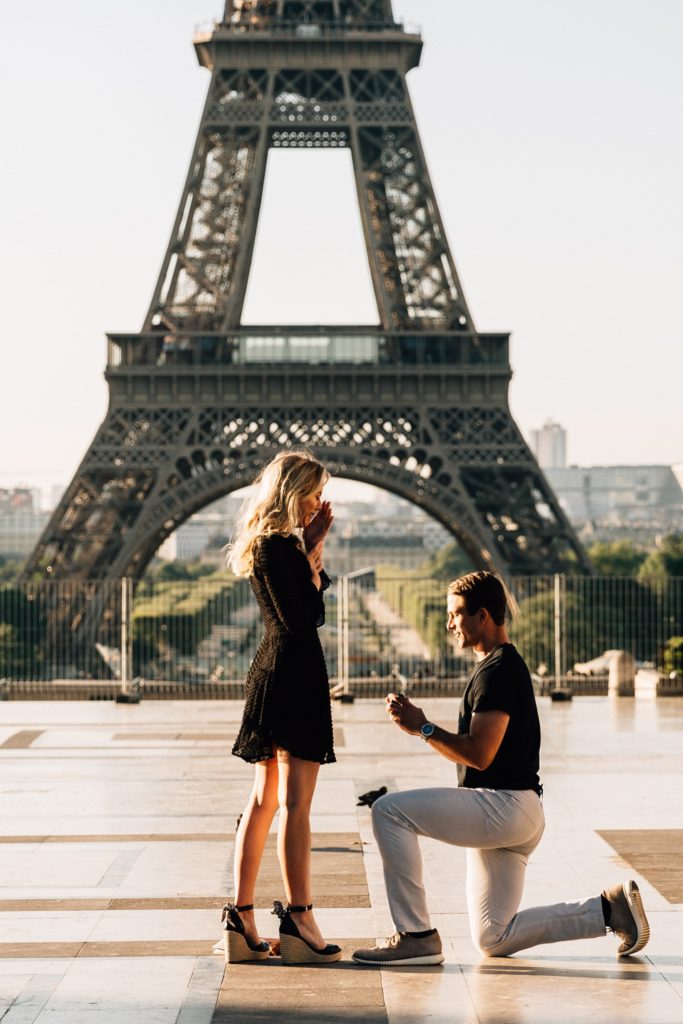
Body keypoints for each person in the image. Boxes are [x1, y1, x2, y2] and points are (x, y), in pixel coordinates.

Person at [353, 571, 650, 966]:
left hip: (502, 806)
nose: (449, 623)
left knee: (389, 812)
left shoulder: (498, 671)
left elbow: (479, 754)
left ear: (483, 616)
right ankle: (609, 910)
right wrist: (421, 728)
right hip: (516, 811)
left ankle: (415, 935)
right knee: (493, 936)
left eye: (455, 614)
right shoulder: (497, 666)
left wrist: (422, 727)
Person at [220, 450, 342, 965]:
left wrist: (311, 550)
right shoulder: (278, 547)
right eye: (313, 493)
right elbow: (301, 617)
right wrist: (311, 553)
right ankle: (299, 917)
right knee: (294, 805)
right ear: (293, 493)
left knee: (264, 801)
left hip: (275, 673)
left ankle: (243, 917)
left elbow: (301, 608)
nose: (318, 503)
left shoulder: (269, 545)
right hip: (293, 678)